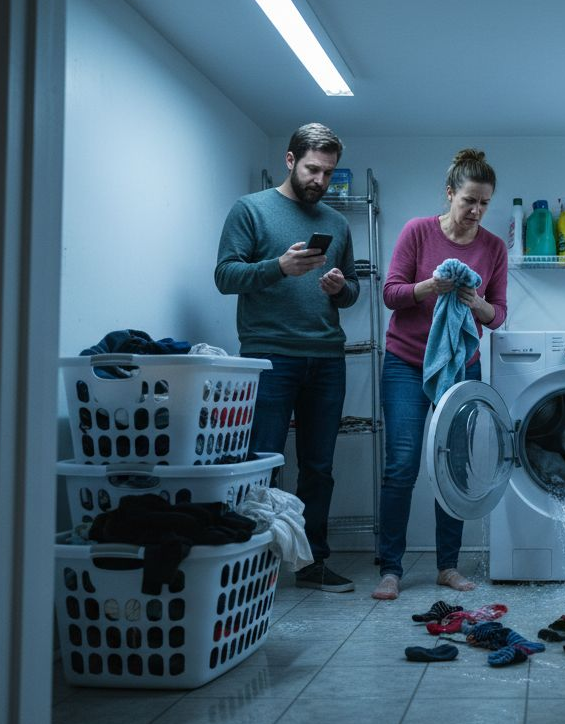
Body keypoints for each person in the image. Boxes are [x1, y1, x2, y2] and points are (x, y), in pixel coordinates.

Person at [214, 123, 359, 592]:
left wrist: (340, 289)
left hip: (326, 357)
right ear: (291, 160)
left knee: (319, 468)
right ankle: (254, 568)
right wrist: (278, 266)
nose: (321, 180)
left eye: (330, 173)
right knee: (262, 464)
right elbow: (225, 275)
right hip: (270, 356)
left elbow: (352, 290)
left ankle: (312, 562)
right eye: (314, 169)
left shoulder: (336, 224)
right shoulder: (250, 210)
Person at [372, 148, 508, 600]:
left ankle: (447, 566)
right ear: (449, 193)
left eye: (485, 202)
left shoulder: (493, 248)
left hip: (459, 366)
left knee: (452, 465)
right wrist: (431, 286)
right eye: (469, 200)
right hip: (406, 364)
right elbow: (391, 294)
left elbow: (499, 315)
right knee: (402, 463)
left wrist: (475, 302)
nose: (476, 210)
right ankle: (390, 568)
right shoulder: (418, 232)